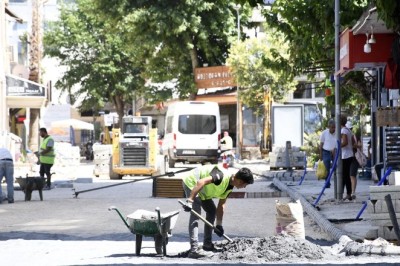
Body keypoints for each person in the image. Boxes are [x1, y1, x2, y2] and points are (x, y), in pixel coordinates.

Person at [181, 165, 254, 259]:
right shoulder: (221, 175)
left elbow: (221, 205)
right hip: (192, 182)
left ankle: (207, 245)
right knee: (196, 213)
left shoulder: (229, 187)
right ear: (240, 181)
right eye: (245, 184)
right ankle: (194, 250)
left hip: (203, 190)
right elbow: (201, 181)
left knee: (211, 211)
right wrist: (190, 201)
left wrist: (219, 225)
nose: (244, 187)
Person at [319, 119, 336, 188]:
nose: (333, 129)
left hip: (335, 152)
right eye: (331, 127)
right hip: (326, 152)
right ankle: (327, 183)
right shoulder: (324, 133)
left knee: (336, 167)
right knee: (326, 168)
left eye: (334, 127)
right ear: (328, 127)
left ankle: (337, 183)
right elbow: (321, 144)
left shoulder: (338, 133)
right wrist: (320, 154)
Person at [341, 116, 354, 201]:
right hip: (349, 154)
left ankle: (348, 193)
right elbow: (351, 142)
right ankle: (347, 193)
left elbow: (345, 142)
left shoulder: (343, 130)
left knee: (345, 175)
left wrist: (338, 146)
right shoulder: (348, 130)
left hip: (346, 155)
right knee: (345, 175)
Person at [346, 121, 360, 200]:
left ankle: (353, 192)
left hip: (354, 158)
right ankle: (350, 192)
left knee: (352, 175)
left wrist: (353, 145)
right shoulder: (343, 136)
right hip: (347, 158)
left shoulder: (354, 137)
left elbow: (360, 145)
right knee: (349, 176)